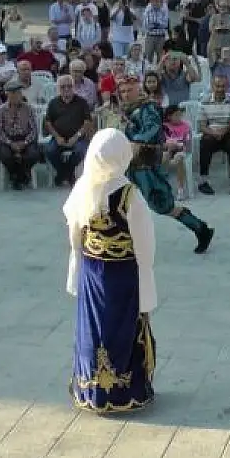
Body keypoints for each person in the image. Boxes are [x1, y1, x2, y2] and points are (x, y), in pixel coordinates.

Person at [64, 129, 157, 412]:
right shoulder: (130, 196)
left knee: (93, 327)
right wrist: (146, 275)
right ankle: (122, 391)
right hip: (122, 274)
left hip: (92, 270)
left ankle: (90, 387)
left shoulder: (83, 187)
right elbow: (145, 245)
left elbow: (74, 233)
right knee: (122, 326)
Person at [120, 77, 215, 253]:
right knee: (126, 203)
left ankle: (201, 229)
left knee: (163, 205)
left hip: (147, 165)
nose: (125, 94)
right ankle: (129, 241)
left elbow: (152, 130)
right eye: (123, 91)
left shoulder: (148, 108)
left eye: (129, 90)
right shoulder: (129, 110)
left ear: (138, 89)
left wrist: (134, 143)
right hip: (131, 165)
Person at [0, 81, 42, 190]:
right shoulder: (1, 110)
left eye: (18, 93)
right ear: (8, 95)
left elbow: (34, 130)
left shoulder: (28, 108)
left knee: (33, 154)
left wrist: (25, 142)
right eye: (13, 93)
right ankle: (19, 176)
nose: (16, 96)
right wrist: (10, 143)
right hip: (8, 140)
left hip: (25, 138)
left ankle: (19, 177)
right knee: (5, 155)